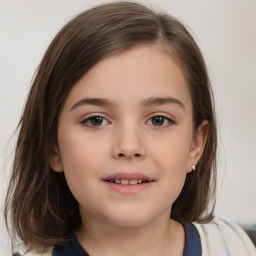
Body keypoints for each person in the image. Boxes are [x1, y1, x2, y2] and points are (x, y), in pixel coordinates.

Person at [4, 2, 255, 256]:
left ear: (195, 144)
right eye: (96, 120)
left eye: (158, 120)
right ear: (53, 147)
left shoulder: (242, 247)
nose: (129, 146)